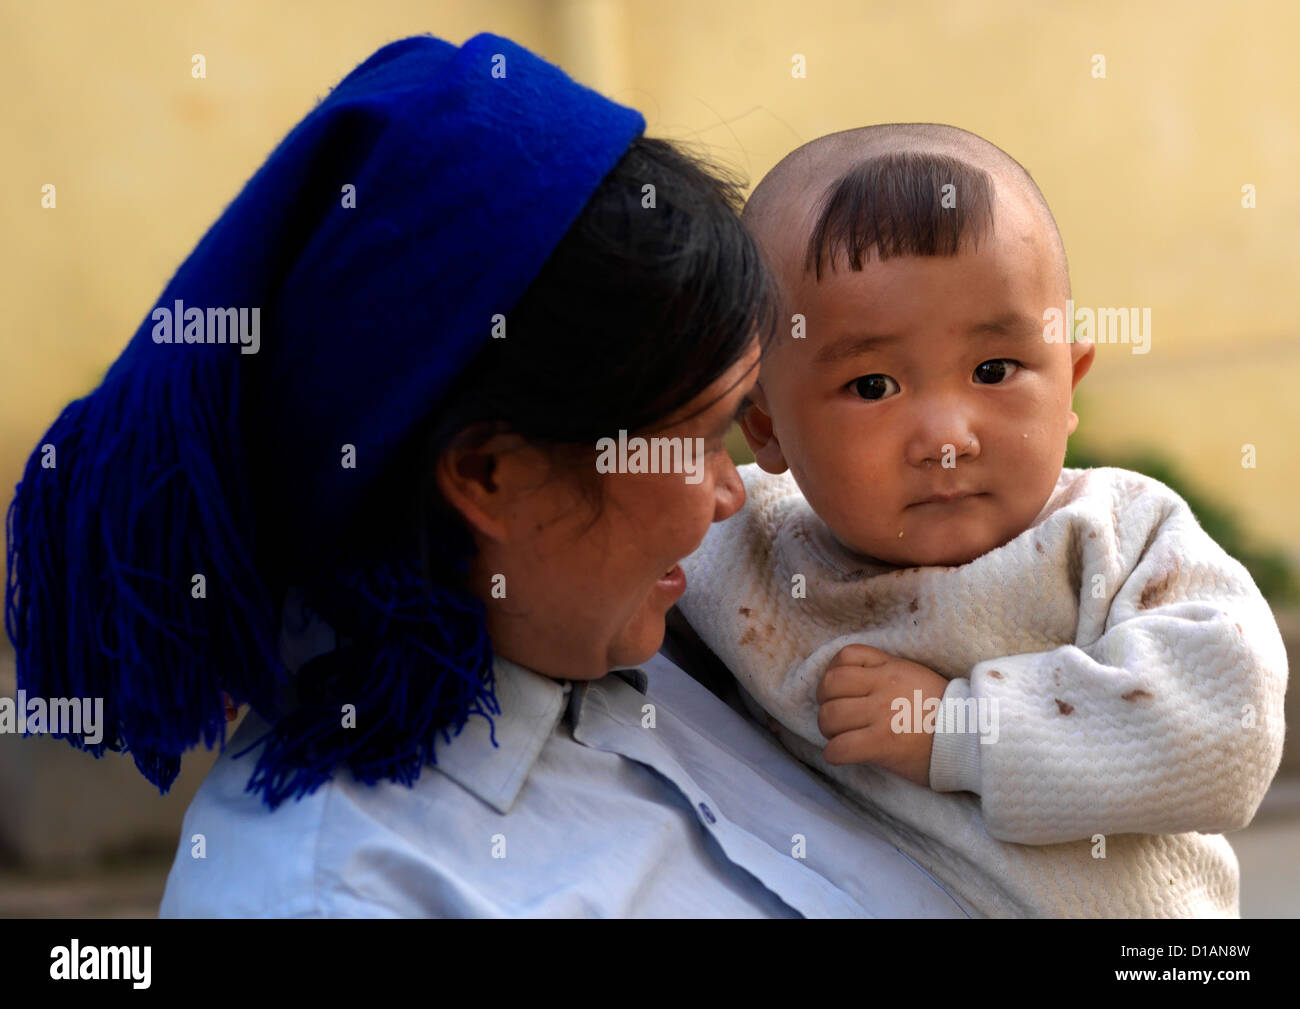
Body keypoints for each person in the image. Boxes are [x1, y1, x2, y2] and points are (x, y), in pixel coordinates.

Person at [5, 34, 968, 917]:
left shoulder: (675, 644)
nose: (732, 493)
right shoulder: (344, 896)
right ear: (492, 474)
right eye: (701, 435)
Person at [675, 123, 1289, 917]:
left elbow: (1226, 734)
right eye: (872, 386)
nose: (946, 438)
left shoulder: (1118, 533)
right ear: (764, 429)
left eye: (994, 371)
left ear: (1070, 381)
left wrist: (958, 728)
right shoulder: (745, 551)